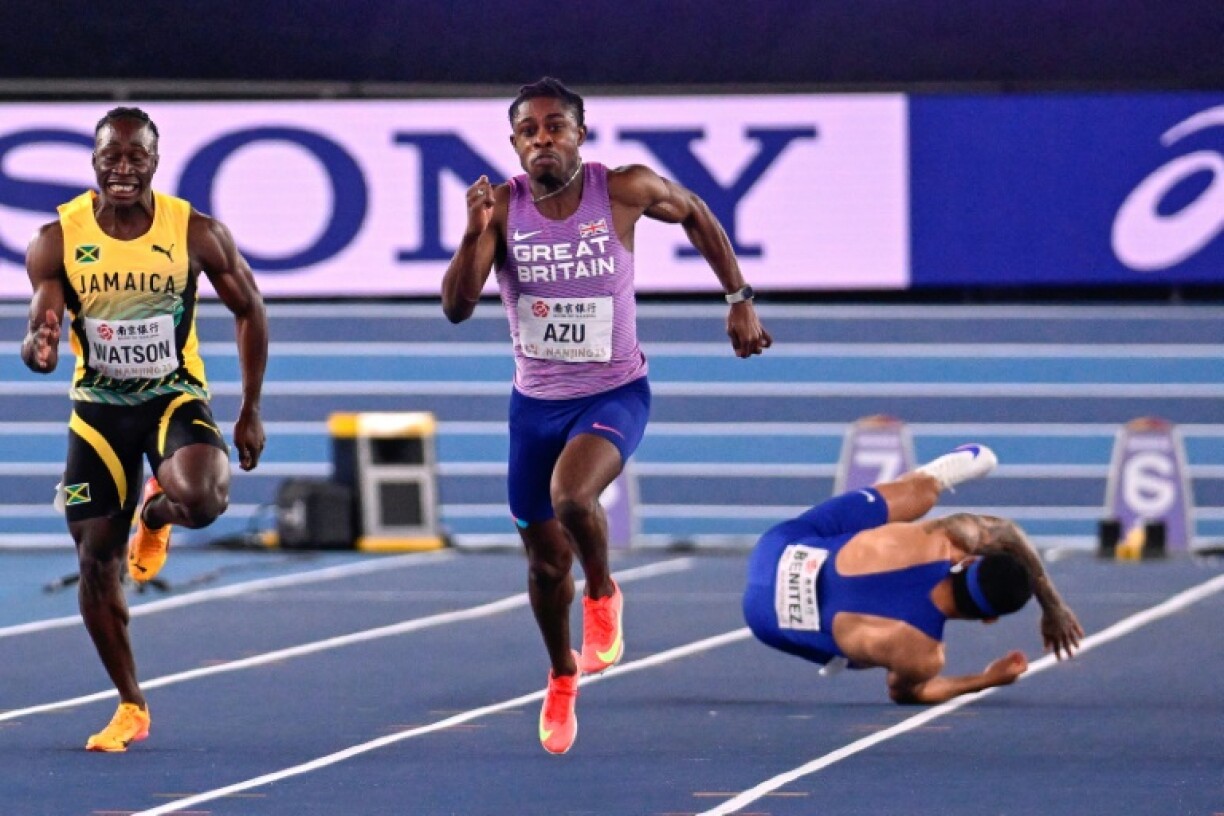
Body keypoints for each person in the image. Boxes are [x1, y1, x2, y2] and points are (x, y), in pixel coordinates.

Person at [442, 77, 772, 754]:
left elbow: (699, 212)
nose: (543, 139)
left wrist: (738, 296)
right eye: (529, 130)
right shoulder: (501, 209)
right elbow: (456, 305)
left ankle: (601, 592)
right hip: (534, 408)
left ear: (580, 134)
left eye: (555, 126)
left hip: (614, 392)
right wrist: (474, 232)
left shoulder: (622, 189)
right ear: (514, 143)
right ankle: (562, 674)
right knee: (540, 567)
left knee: (572, 496)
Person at [21, 107, 268, 751]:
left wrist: (249, 409)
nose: (124, 169)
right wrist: (40, 345)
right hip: (99, 412)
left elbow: (250, 309)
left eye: (137, 157)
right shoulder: (58, 238)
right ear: (95, 162)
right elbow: (41, 324)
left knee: (206, 498)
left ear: (155, 162)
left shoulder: (195, 232)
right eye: (112, 157)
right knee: (95, 562)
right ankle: (131, 704)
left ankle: (154, 517)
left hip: (170, 397)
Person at [743, 444, 1084, 704]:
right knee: (860, 654)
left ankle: (931, 479)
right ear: (989, 619)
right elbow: (909, 694)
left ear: (967, 562)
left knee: (918, 495)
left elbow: (1007, 532)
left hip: (777, 547)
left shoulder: (943, 539)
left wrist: (1052, 605)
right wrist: (988, 679)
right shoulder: (923, 655)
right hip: (766, 620)